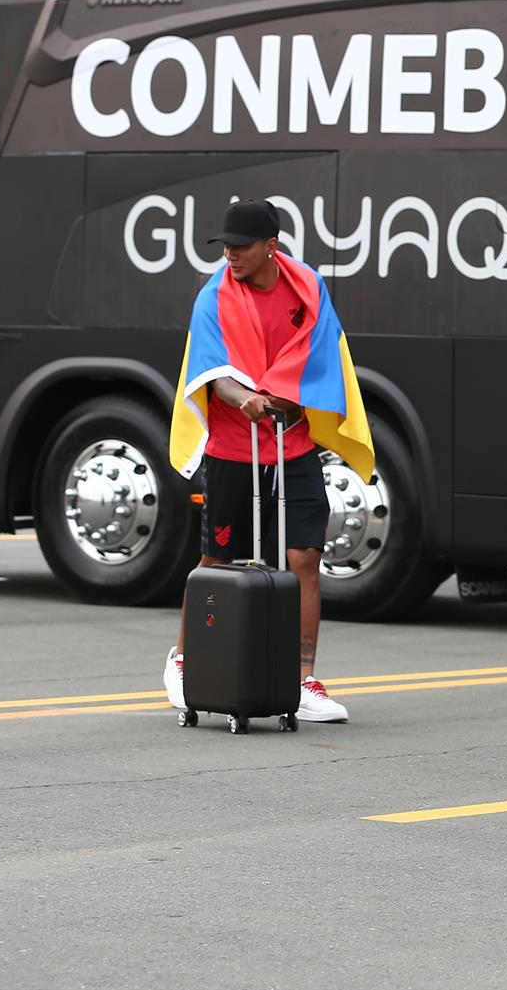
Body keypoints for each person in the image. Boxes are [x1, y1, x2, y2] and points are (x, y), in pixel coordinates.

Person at [162, 198, 376, 724]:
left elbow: (320, 351)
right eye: (226, 246)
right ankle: (184, 662)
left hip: (293, 443)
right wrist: (247, 400)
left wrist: (284, 395)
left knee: (303, 559)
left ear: (271, 247)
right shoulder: (212, 296)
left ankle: (301, 679)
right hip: (234, 448)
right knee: (217, 560)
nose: (229, 254)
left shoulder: (306, 287)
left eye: (240, 246)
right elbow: (209, 370)